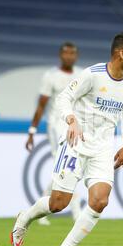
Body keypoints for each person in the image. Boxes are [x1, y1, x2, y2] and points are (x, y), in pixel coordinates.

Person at [11, 31, 123, 246]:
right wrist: (71, 120)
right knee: (58, 203)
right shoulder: (92, 75)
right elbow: (63, 98)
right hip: (75, 144)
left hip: (102, 148)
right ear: (122, 53)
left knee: (100, 200)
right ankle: (25, 218)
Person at [26, 42, 83, 225]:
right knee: (66, 167)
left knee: (66, 168)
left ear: (76, 56)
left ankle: (38, 209)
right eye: (66, 53)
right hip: (56, 127)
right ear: (60, 55)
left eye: (72, 53)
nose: (69, 57)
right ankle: (76, 212)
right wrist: (32, 131)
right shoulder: (51, 76)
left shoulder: (81, 75)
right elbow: (41, 105)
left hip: (75, 126)